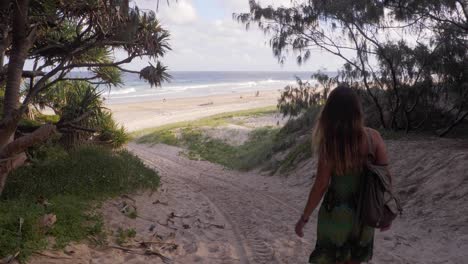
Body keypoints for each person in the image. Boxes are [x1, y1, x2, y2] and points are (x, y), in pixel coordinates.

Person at [295, 86, 392, 264]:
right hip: (364, 215)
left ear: (330, 113)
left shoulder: (330, 144)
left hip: (335, 215)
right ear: (357, 111)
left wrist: (304, 218)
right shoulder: (374, 137)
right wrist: (384, 212)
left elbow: (321, 185)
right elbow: (385, 179)